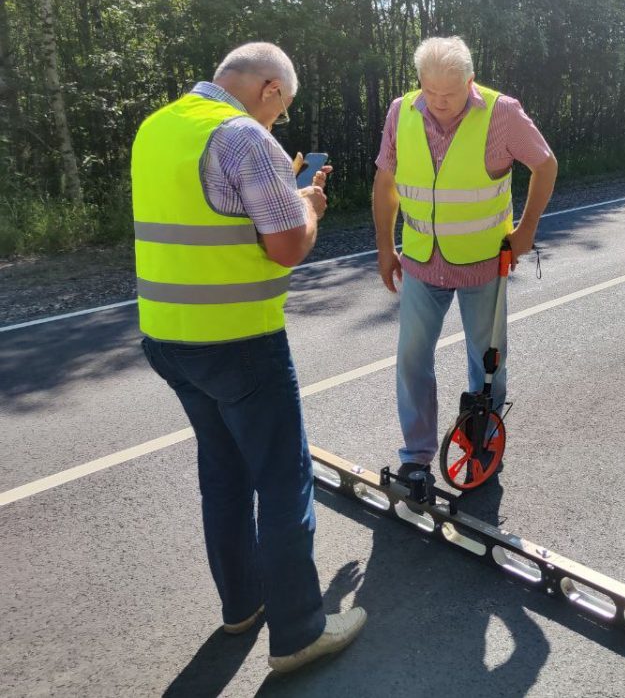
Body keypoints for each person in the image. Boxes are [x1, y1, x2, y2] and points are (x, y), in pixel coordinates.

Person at [132, 42, 366, 672]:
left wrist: (279, 194)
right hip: (238, 340)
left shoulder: (158, 127)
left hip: (166, 337)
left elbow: (210, 214)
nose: (278, 122)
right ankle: (298, 633)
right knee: (283, 479)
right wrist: (309, 208)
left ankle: (242, 605)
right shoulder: (244, 137)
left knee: (224, 473)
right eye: (281, 108)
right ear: (268, 89)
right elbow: (288, 246)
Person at [372, 36, 557, 481]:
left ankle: (483, 443)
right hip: (420, 260)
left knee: (487, 361)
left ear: (469, 81)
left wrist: (528, 228)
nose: (437, 102)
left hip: (482, 264)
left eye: (449, 93)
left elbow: (545, 164)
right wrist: (384, 247)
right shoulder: (402, 111)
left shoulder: (502, 113)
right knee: (412, 359)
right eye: (429, 91)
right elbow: (385, 184)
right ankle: (416, 457)